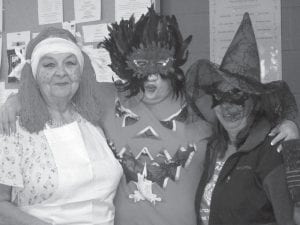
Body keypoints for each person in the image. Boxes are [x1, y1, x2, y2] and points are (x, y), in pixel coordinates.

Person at [0, 7, 299, 225]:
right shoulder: (106, 98)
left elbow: (257, 103)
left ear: (176, 64)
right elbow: (56, 85)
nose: (151, 79)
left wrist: (290, 120)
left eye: (161, 67)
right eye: (142, 66)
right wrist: (17, 99)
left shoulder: (205, 104)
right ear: (127, 65)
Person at [0, 27, 123, 225]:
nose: (61, 73)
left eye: (70, 63)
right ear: (34, 74)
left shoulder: (93, 117)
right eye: (49, 65)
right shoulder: (12, 126)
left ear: (81, 71)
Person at [187, 13, 297, 225]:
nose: (227, 106)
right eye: (219, 96)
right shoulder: (214, 148)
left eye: (237, 95)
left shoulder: (272, 151)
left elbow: (290, 219)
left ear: (255, 102)